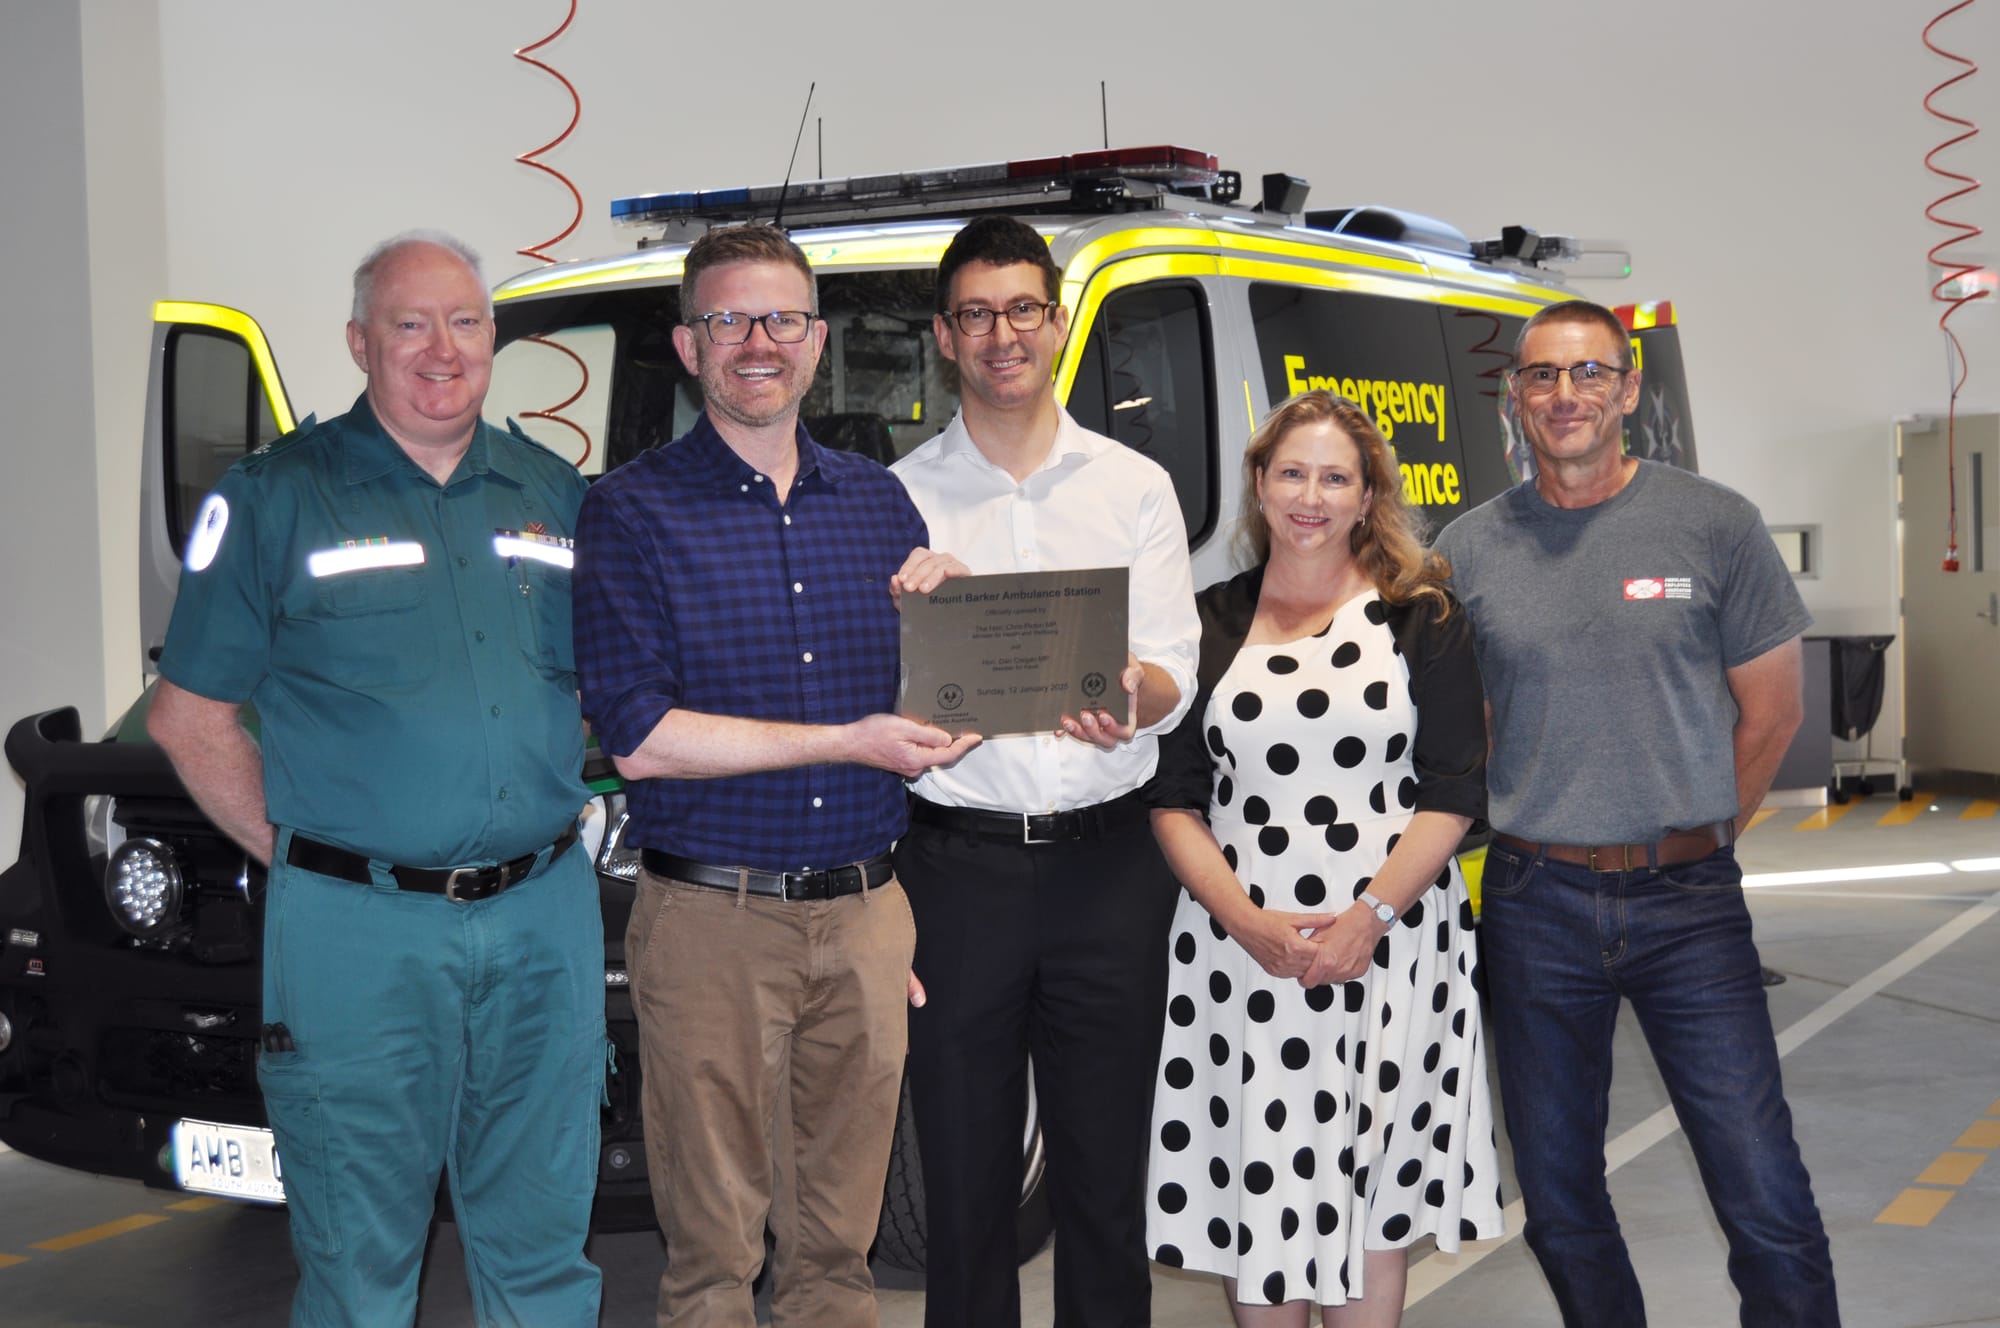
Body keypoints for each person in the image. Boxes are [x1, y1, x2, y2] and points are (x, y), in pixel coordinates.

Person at [146, 231, 603, 1326]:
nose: (441, 349)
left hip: (543, 916)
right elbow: (187, 713)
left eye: (465, 321)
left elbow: (614, 690)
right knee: (358, 1264)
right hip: (357, 934)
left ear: (495, 338)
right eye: (410, 324)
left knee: (543, 1250)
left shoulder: (555, 492)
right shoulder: (274, 496)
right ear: (360, 341)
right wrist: (306, 852)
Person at [572, 222, 977, 1328]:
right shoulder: (629, 511)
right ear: (688, 345)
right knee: (711, 1256)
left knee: (837, 1257)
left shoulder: (879, 505)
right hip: (710, 919)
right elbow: (640, 735)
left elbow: (933, 723)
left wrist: (971, 645)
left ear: (816, 339)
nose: (758, 341)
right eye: (729, 319)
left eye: (782, 319)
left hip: (861, 915)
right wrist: (847, 738)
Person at [1431, 299, 1838, 1327]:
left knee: (1762, 1190)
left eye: (1585, 374)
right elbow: (1467, 727)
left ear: (1625, 390)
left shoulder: (1714, 523)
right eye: (1538, 376)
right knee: (1560, 1199)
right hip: (1532, 901)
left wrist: (1691, 838)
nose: (1561, 395)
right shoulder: (1468, 550)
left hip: (1687, 903)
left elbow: (1772, 710)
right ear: (1514, 396)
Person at [888, 214, 1201, 1328]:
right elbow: (867, 692)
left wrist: (1130, 696)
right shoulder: (892, 497)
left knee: (1103, 1180)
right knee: (965, 1184)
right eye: (975, 313)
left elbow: (1174, 670)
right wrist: (904, 625)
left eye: (1022, 308)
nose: (1001, 334)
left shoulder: (1131, 487)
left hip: (1105, 870)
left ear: (1056, 322)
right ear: (943, 336)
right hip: (953, 870)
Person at [1144, 391, 1503, 1325]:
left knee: (1372, 1206)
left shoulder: (1422, 615)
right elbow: (1173, 798)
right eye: (1292, 473)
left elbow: (1454, 788)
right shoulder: (1206, 622)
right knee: (1255, 1190)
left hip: (1391, 947)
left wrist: (1367, 920)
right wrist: (1246, 921)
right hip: (1241, 954)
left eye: (1335, 477)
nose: (1311, 495)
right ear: (1259, 486)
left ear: (1366, 495)